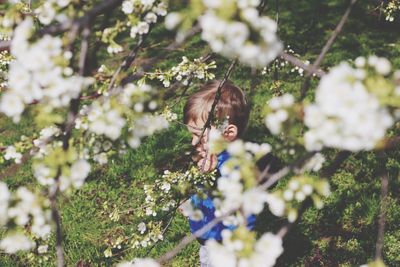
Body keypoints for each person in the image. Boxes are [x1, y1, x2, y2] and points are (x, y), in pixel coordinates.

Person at [183, 80, 253, 267]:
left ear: (228, 133)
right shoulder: (213, 157)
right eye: (192, 135)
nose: (193, 143)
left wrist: (211, 178)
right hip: (207, 238)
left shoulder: (234, 167)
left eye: (200, 134)